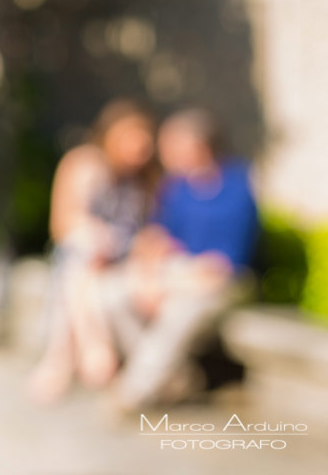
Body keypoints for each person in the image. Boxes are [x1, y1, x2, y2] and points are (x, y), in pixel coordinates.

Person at [106, 108, 259, 410]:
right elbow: (157, 238)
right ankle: (177, 377)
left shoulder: (236, 186)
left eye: (172, 146)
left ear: (199, 146)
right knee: (113, 296)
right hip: (179, 273)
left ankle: (133, 392)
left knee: (178, 312)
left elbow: (229, 260)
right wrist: (149, 276)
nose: (164, 155)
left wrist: (181, 279)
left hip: (223, 279)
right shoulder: (176, 188)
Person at [29, 100, 157, 403]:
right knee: (82, 261)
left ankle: (62, 359)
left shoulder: (146, 179)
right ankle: (91, 345)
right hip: (84, 254)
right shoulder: (84, 164)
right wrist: (99, 240)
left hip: (121, 260)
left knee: (79, 271)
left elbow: (149, 233)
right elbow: (63, 224)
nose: (139, 148)